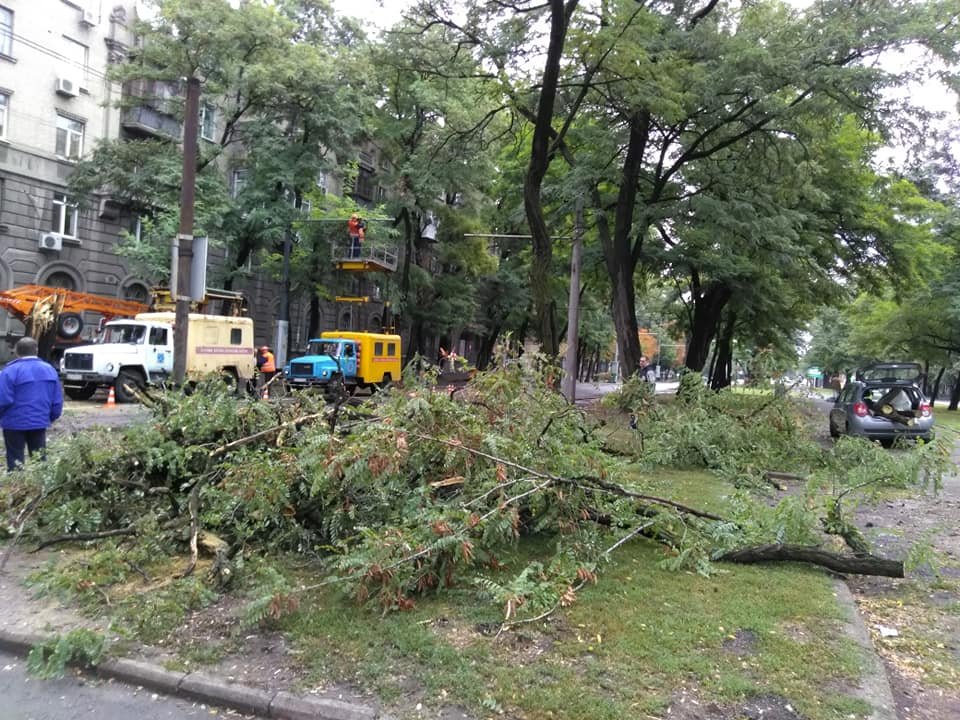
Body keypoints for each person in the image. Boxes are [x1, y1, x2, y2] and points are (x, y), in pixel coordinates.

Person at [0, 337, 64, 472]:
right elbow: (57, 401)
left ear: (16, 352)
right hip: (39, 422)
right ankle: (40, 488)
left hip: (13, 423)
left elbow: (3, 400)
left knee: (15, 461)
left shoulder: (9, 372)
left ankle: (18, 487)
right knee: (39, 460)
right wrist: (49, 417)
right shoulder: (50, 370)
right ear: (36, 350)